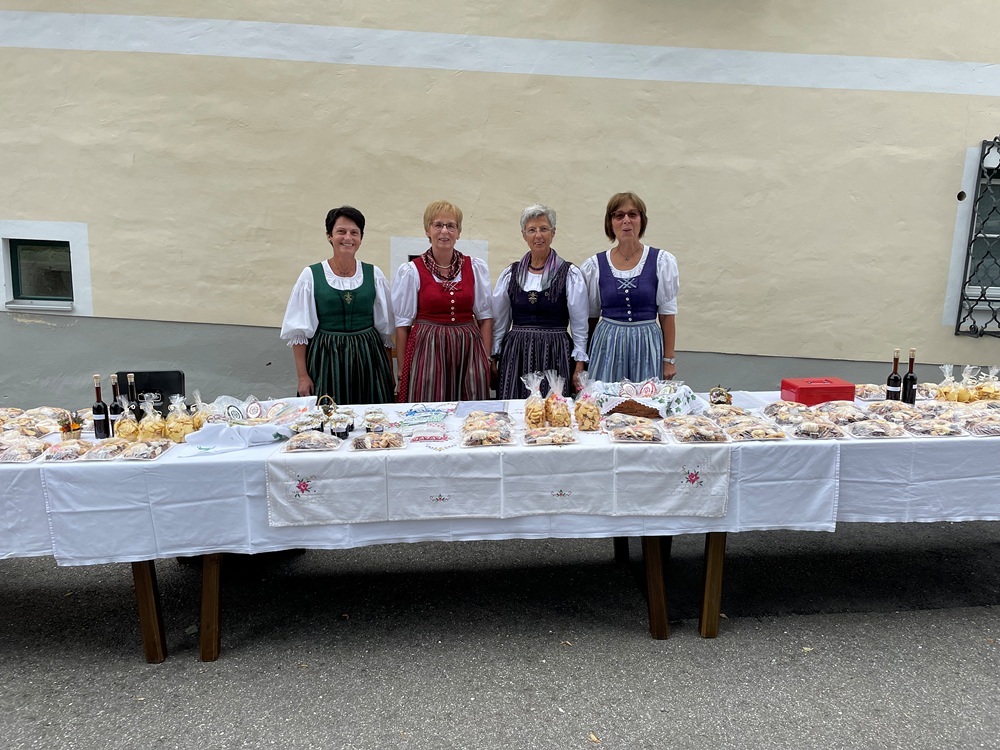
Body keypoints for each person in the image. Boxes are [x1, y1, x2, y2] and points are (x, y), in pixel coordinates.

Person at [280, 205, 395, 404]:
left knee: (371, 414)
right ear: (329, 236)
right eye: (341, 231)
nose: (348, 238)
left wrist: (388, 373)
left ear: (361, 238)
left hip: (368, 358)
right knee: (327, 415)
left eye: (354, 232)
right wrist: (302, 377)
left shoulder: (374, 274)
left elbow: (385, 332)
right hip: (327, 358)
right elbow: (299, 333)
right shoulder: (311, 275)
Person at [392, 200, 493, 402]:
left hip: (468, 350)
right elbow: (403, 325)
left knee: (470, 409)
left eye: (451, 226)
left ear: (458, 232)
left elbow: (485, 318)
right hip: (428, 349)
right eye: (438, 225)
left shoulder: (474, 267)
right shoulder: (412, 270)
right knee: (429, 406)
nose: (444, 231)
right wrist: (403, 369)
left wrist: (485, 359)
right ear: (427, 230)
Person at [491, 204, 589, 398]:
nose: (538, 235)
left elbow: (579, 324)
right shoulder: (510, 274)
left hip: (555, 352)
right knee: (515, 405)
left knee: (554, 407)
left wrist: (579, 364)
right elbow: (499, 321)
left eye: (544, 229)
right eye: (532, 230)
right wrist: (493, 357)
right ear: (524, 235)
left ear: (553, 233)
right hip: (516, 354)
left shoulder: (569, 274)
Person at [581, 191, 679, 382]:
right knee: (605, 397)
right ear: (610, 223)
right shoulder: (595, 265)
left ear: (642, 220)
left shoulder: (661, 261)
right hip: (607, 346)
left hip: (646, 345)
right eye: (619, 215)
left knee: (645, 398)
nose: (626, 220)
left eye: (632, 214)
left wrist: (669, 360)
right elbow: (591, 317)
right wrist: (584, 359)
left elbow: (667, 315)